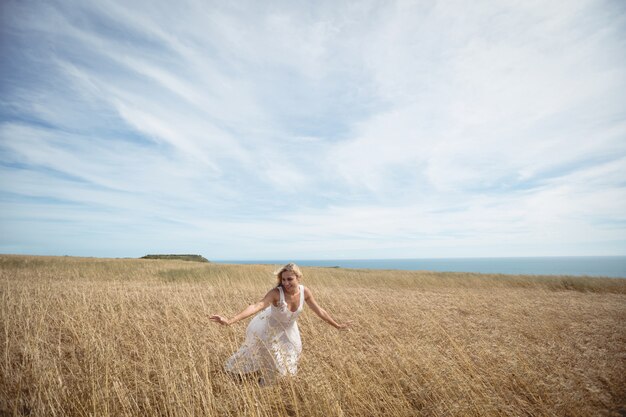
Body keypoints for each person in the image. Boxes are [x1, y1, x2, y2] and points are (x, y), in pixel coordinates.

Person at [210, 263, 351, 385]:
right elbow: (257, 306)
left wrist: (337, 325)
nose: (286, 283)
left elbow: (320, 310)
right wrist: (229, 321)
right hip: (269, 331)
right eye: (283, 279)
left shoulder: (304, 291)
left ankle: (267, 382)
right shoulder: (276, 293)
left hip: (290, 333)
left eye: (290, 279)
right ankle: (254, 382)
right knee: (263, 360)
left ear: (298, 277)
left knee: (288, 366)